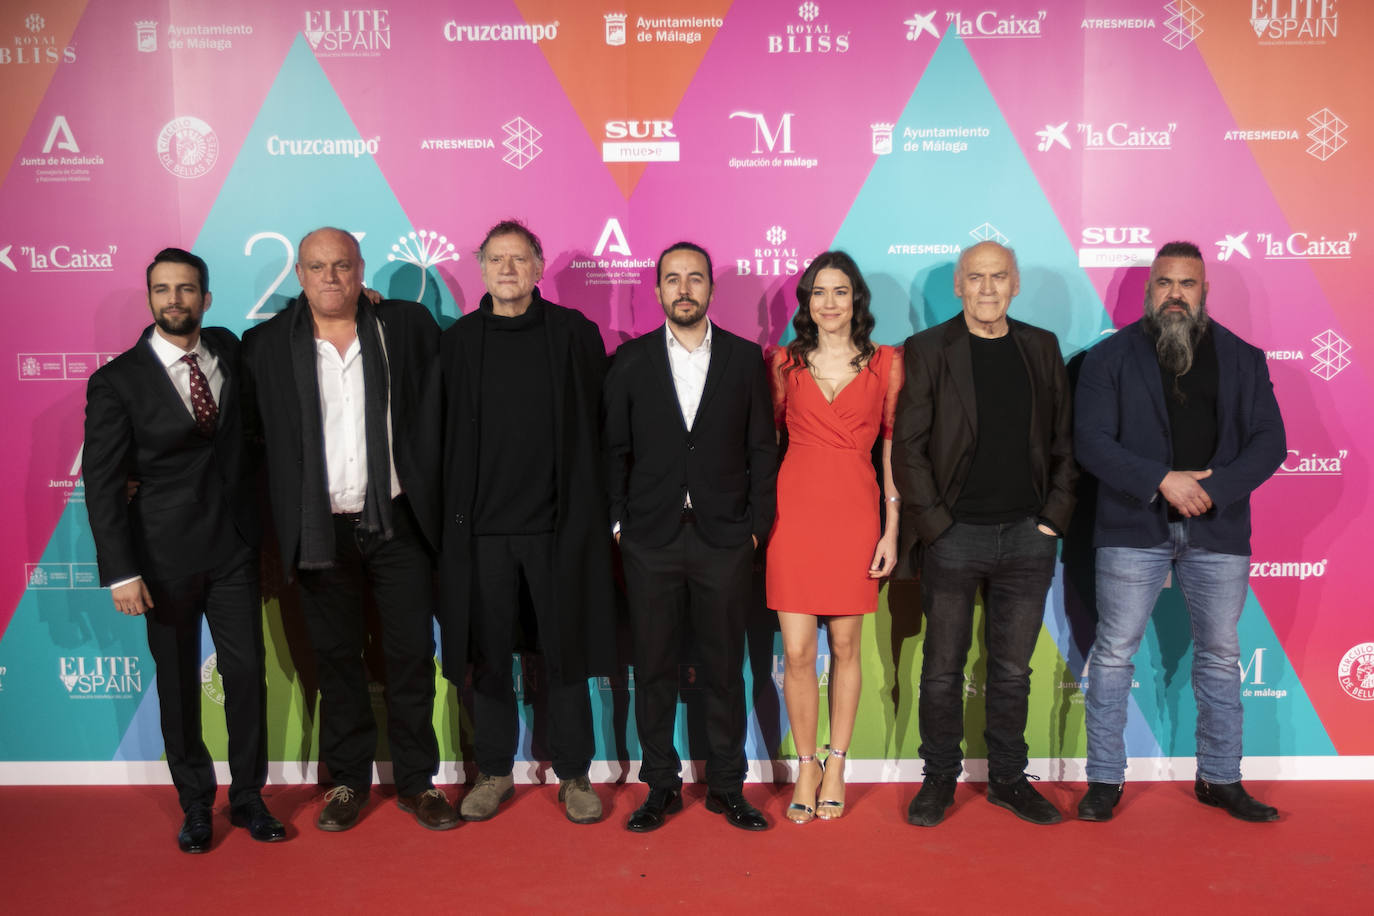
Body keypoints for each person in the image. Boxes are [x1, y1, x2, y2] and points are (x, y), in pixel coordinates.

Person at [242, 227, 454, 832]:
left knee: (412, 658)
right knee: (336, 661)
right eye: (317, 267)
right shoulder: (264, 347)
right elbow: (251, 444)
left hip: (397, 523)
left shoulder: (406, 328)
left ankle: (418, 782)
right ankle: (347, 784)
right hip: (318, 533)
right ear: (299, 276)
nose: (330, 277)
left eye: (341, 265)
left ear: (360, 271)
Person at [1074, 241, 1285, 823]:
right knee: (1114, 655)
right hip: (1131, 526)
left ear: (1204, 291)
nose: (1174, 294)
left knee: (1220, 656)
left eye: (1186, 284)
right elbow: (1091, 441)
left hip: (1217, 530)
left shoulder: (1245, 358)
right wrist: (1162, 480)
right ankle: (1104, 781)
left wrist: (1209, 489)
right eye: (1163, 283)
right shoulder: (1109, 358)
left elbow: (1271, 443)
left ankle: (1220, 779)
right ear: (1148, 291)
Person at [84, 247, 283, 853]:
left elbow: (281, 335)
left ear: (206, 298)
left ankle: (248, 797)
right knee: (176, 685)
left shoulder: (227, 347)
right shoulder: (117, 381)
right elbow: (102, 482)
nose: (175, 299)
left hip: (233, 549)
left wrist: (359, 302)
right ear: (150, 299)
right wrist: (121, 572)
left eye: (187, 289)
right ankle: (196, 805)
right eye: (163, 289)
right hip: (163, 558)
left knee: (247, 675)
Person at [434, 220, 615, 824]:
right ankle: (492, 772)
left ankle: (575, 775)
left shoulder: (574, 335)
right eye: (496, 259)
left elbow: (601, 429)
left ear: (538, 268)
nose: (507, 269)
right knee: (487, 659)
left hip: (558, 531)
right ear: (480, 270)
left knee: (563, 653)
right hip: (480, 535)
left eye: (519, 259)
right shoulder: (457, 342)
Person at [892, 240, 1076, 827]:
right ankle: (939, 780)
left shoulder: (1041, 348)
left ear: (1016, 284)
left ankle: (1007, 781)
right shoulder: (927, 350)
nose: (989, 288)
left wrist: (1051, 519)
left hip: (1028, 536)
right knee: (942, 668)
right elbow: (909, 448)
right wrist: (937, 527)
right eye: (977, 277)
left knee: (1013, 671)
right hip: (956, 536)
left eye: (999, 277)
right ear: (958, 285)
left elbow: (1066, 445)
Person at [604, 242, 778, 832]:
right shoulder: (629, 361)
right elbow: (613, 451)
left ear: (710, 290)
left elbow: (762, 449)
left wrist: (755, 529)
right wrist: (621, 525)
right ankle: (660, 787)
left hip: (724, 540)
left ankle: (729, 787)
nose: (684, 288)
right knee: (652, 669)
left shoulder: (743, 358)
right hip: (650, 540)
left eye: (695, 278)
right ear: (656, 291)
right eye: (673, 279)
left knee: (725, 669)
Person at [766, 252, 903, 824]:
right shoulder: (784, 364)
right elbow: (764, 445)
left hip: (855, 517)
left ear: (857, 300)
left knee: (846, 650)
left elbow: (892, 449)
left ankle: (839, 761)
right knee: (797, 652)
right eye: (818, 292)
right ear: (806, 302)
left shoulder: (887, 364)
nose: (829, 303)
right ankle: (806, 763)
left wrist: (892, 529)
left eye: (840, 292)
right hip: (794, 518)